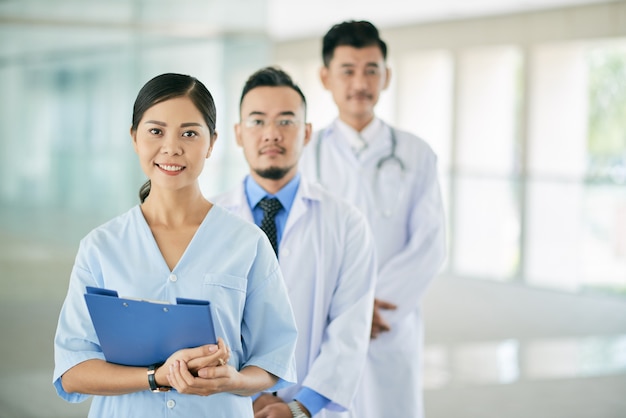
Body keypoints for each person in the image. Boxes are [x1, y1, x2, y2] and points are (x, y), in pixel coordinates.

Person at [53, 73, 298, 417]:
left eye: (189, 133)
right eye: (156, 131)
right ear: (134, 137)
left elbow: (274, 358)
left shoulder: (247, 243)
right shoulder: (101, 247)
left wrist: (232, 380)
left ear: (211, 143)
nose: (171, 147)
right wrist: (156, 377)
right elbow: (72, 369)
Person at [299, 21, 447, 418]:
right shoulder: (305, 155)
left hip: (388, 322)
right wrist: (348, 311)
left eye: (371, 70)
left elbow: (430, 244)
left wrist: (368, 310)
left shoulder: (417, 154)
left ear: (387, 76)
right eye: (348, 70)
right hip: (325, 316)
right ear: (325, 77)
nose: (360, 83)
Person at [212, 66, 377, 418]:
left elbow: (350, 330)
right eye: (257, 122)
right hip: (226, 404)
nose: (271, 134)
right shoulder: (207, 221)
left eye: (285, 121)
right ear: (239, 134)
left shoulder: (346, 223)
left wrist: (300, 409)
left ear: (306, 133)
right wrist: (246, 397)